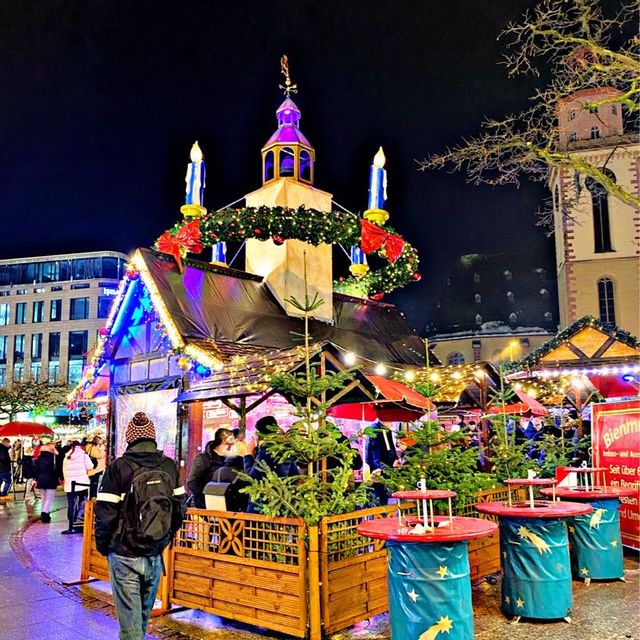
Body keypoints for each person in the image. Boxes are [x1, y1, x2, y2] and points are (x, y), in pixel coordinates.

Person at [95, 412, 186, 640]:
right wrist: (164, 537)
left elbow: (105, 513)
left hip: (124, 552)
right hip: (155, 552)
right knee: (142, 617)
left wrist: (104, 546)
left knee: (130, 620)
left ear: (129, 438)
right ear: (152, 437)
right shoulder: (169, 466)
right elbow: (180, 508)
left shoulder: (118, 468)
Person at [243, 416, 299, 512]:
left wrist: (248, 454)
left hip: (262, 505)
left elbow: (252, 477)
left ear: (259, 434)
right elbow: (294, 475)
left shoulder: (266, 450)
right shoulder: (284, 449)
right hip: (283, 503)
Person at [187, 428, 235, 508]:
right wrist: (206, 498)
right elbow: (192, 482)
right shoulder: (204, 458)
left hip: (229, 506)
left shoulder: (231, 459)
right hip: (206, 507)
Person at [61, 441, 93, 533]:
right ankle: (80, 522)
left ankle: (72, 524)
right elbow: (90, 466)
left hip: (70, 485)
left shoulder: (67, 456)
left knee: (72, 505)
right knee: (83, 503)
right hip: (82, 484)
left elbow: (64, 470)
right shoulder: (84, 455)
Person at [35, 439, 60, 522]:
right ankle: (44, 513)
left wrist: (36, 479)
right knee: (49, 498)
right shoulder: (54, 457)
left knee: (43, 498)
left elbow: (36, 469)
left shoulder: (39, 458)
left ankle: (45, 513)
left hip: (41, 479)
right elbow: (56, 469)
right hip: (51, 479)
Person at [86, 434, 107, 499]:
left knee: (93, 483)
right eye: (99, 440)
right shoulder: (93, 448)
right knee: (94, 483)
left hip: (94, 468)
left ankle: (92, 497)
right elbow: (99, 455)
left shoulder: (90, 447)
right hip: (95, 469)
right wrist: (104, 451)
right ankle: (93, 497)